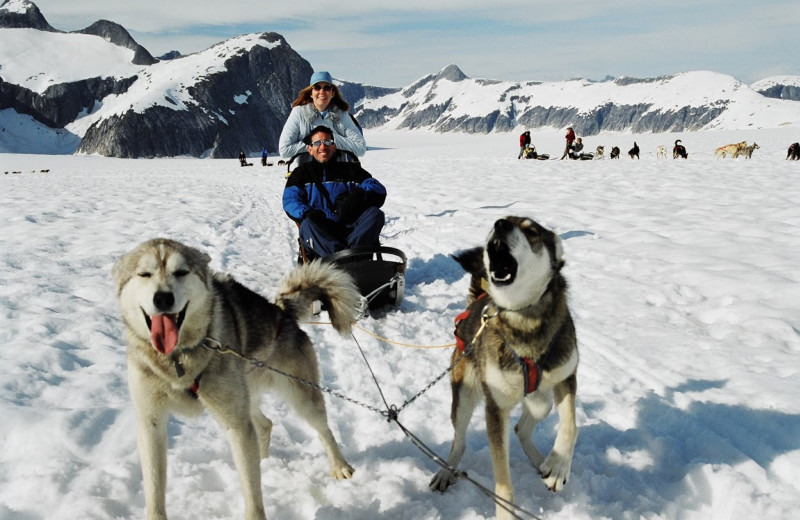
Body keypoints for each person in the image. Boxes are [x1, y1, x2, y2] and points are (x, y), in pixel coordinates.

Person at [283, 126, 386, 259]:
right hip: (321, 232)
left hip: (351, 230)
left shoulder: (351, 170)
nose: (322, 147)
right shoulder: (300, 174)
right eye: (317, 143)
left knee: (375, 214)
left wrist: (359, 194)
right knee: (307, 224)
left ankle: (346, 259)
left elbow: (376, 187)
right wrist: (307, 212)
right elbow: (290, 201)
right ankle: (347, 260)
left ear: (334, 146)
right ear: (310, 149)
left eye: (327, 142)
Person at [278, 71, 366, 163]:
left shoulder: (342, 114)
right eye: (317, 87)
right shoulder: (299, 113)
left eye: (327, 88)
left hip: (338, 174)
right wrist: (316, 143)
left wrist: (330, 139)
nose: (322, 92)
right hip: (305, 174)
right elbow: (284, 150)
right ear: (311, 93)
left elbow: (360, 148)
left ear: (332, 93)